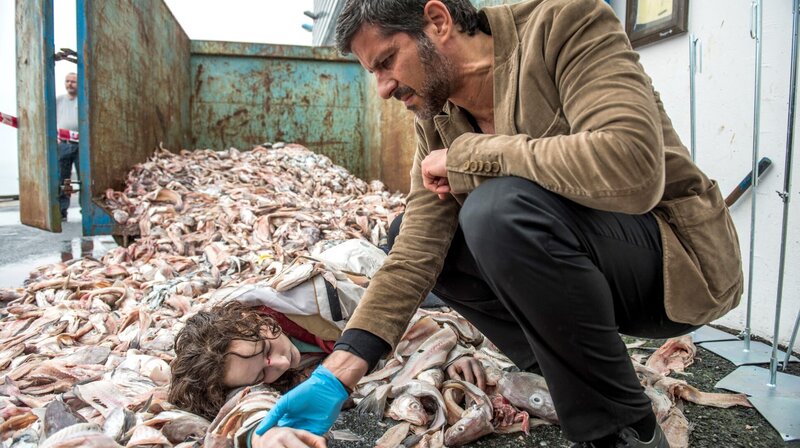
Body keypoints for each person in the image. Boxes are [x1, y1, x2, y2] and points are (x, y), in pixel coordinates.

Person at [252, 1, 744, 447]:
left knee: (495, 210)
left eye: (386, 61)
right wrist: (337, 372)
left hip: (671, 264)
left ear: (438, 21)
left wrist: (471, 157)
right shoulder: (438, 114)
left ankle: (624, 430)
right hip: (583, 273)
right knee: (415, 233)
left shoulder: (565, 25)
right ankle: (564, 375)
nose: (382, 88)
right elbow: (416, 252)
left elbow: (632, 165)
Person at [169, 266, 485, 447]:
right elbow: (247, 403)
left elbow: (395, 316)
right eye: (262, 374)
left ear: (251, 319)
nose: (281, 364)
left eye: (266, 351)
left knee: (445, 286)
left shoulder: (314, 298)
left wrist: (451, 354)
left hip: (372, 272)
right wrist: (263, 435)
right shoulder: (233, 366)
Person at [56, 72, 79, 220]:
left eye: (73, 81)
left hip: (81, 145)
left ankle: (86, 211)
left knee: (85, 178)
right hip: (63, 144)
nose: (70, 84)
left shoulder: (83, 100)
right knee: (63, 179)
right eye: (67, 81)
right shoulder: (58, 100)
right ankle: (61, 211)